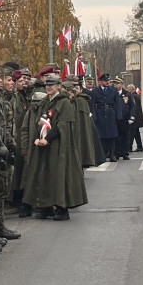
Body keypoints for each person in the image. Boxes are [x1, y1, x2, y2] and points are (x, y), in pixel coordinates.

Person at [22, 73, 87, 220]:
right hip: (44, 144)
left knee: (58, 175)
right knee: (44, 174)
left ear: (58, 86)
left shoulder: (64, 102)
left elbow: (63, 124)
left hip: (59, 145)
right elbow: (40, 121)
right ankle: (46, 206)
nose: (49, 87)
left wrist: (48, 139)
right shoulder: (45, 101)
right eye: (47, 85)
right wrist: (38, 138)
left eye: (52, 85)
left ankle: (61, 208)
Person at [90, 74, 123, 161]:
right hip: (100, 113)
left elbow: (118, 104)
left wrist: (119, 115)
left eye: (108, 80)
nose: (107, 82)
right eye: (105, 81)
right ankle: (103, 154)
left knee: (112, 135)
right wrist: (94, 116)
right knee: (102, 136)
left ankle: (112, 154)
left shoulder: (113, 90)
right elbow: (92, 105)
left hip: (111, 114)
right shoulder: (95, 91)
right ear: (100, 81)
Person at [126, 84, 143, 152]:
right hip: (137, 118)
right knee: (136, 134)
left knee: (131, 133)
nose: (127, 90)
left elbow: (133, 107)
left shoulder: (132, 96)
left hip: (135, 118)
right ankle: (139, 146)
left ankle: (129, 147)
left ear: (131, 89)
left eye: (128, 89)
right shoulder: (136, 96)